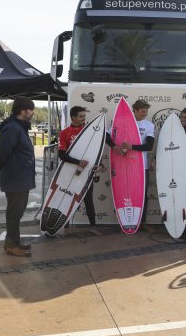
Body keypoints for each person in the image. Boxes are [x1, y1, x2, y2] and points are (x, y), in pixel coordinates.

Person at [0, 96, 36, 257]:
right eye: (31, 109)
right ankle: (12, 244)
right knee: (14, 212)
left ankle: (12, 242)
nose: (32, 113)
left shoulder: (19, 127)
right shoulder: (12, 128)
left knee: (16, 211)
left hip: (20, 177)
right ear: (24, 111)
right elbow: (2, 151)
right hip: (15, 177)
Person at [106, 99, 155, 230]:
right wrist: (114, 147)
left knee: (142, 194)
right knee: (124, 192)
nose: (144, 114)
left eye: (146, 111)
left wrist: (131, 146)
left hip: (141, 166)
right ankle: (125, 221)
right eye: (142, 111)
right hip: (123, 165)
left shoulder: (149, 125)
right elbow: (106, 135)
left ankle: (142, 223)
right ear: (135, 110)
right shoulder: (122, 122)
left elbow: (149, 146)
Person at [58, 106, 105, 236]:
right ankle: (65, 227)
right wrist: (78, 162)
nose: (83, 119)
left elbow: (96, 151)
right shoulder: (65, 133)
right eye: (80, 116)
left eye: (84, 116)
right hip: (70, 173)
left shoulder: (89, 131)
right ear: (73, 117)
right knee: (68, 199)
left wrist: (99, 164)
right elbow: (61, 155)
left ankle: (93, 226)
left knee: (88, 199)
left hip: (87, 172)